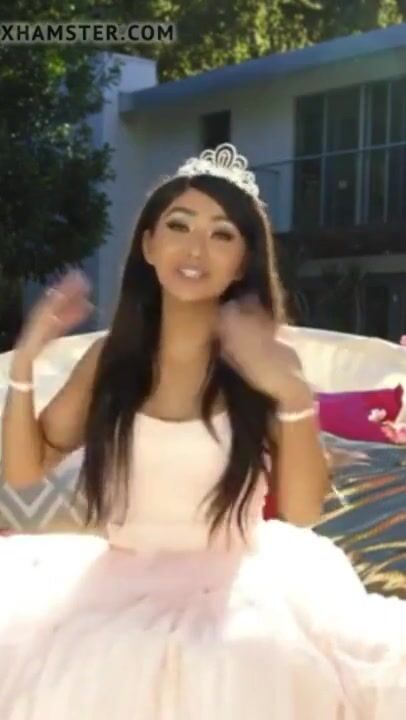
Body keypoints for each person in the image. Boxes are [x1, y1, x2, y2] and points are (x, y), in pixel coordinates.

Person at [0, 142, 405, 719]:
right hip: (116, 589)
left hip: (240, 593)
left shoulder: (264, 360)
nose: (195, 249)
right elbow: (24, 468)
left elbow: (303, 508)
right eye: (179, 226)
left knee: (241, 661)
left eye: (221, 234)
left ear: (242, 261)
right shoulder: (110, 360)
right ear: (148, 245)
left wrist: (292, 396)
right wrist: (24, 363)